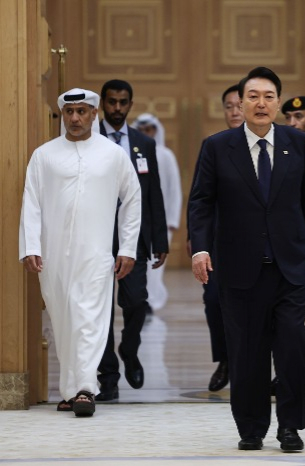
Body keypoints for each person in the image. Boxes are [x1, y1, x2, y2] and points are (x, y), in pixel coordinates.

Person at [189, 66, 305, 452]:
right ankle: (250, 428)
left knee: (291, 347)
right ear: (240, 103)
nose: (261, 103)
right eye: (253, 96)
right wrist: (200, 248)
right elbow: (201, 203)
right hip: (238, 267)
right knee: (247, 351)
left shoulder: (296, 143)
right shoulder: (217, 146)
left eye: (268, 96)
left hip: (289, 266)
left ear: (278, 102)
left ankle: (290, 427)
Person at [19, 88, 141, 417]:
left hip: (96, 254)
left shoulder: (112, 155)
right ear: (62, 115)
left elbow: (132, 199)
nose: (75, 118)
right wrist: (30, 245)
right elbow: (31, 202)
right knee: (63, 319)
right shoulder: (44, 155)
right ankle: (72, 389)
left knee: (89, 318)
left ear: (93, 114)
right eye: (69, 112)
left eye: (82, 111)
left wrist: (127, 247)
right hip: (53, 254)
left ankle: (86, 388)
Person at [96, 79, 169, 401]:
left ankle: (129, 348)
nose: (116, 108)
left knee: (137, 301)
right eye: (111, 102)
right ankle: (108, 377)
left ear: (130, 104)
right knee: (99, 312)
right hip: (95, 237)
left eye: (122, 102)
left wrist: (160, 240)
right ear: (102, 103)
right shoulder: (88, 138)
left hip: (135, 238)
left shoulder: (143, 143)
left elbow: (153, 193)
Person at [190, 84, 243, 393]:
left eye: (239, 105)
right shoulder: (212, 145)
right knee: (213, 301)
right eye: (228, 106)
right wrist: (197, 241)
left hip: (256, 243)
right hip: (218, 241)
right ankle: (224, 359)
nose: (234, 111)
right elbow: (199, 198)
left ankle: (253, 363)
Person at [134, 113, 182, 313]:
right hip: (136, 219)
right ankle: (139, 299)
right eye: (141, 130)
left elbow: (174, 188)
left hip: (160, 221)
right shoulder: (132, 153)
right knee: (138, 262)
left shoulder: (165, 155)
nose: (146, 134)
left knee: (155, 264)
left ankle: (151, 301)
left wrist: (172, 219)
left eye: (149, 130)